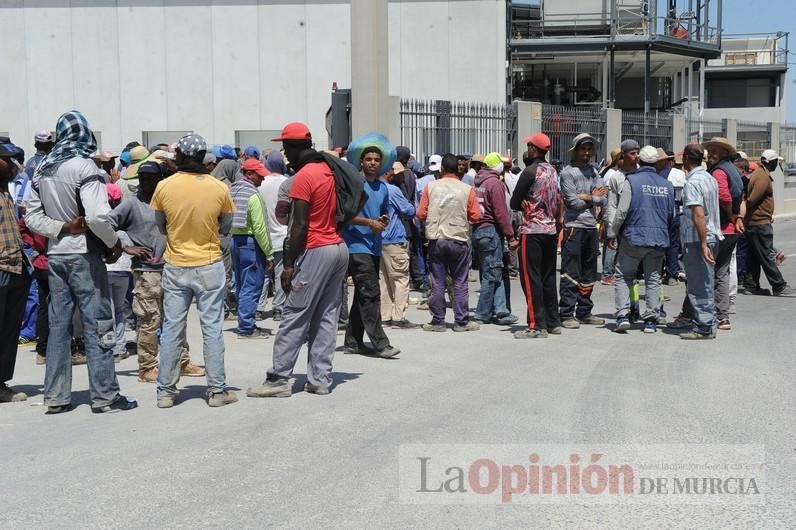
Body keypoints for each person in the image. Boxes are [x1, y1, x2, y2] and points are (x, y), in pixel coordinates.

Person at [24, 110, 137, 414]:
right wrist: (114, 244)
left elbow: (32, 216)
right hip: (84, 255)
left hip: (57, 253)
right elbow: (98, 215)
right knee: (98, 322)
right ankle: (105, 395)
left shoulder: (43, 169)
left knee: (60, 327)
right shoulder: (85, 166)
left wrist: (61, 228)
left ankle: (57, 396)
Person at [246, 122, 349, 397]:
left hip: (315, 249)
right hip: (338, 247)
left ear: (292, 147)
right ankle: (320, 379)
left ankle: (279, 378)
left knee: (295, 314)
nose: (285, 153)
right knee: (327, 316)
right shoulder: (329, 170)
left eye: (285, 147)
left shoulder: (304, 177)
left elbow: (299, 225)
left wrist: (289, 265)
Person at [150, 133, 237, 408]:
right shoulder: (219, 188)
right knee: (212, 328)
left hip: (176, 265)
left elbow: (160, 225)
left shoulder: (164, 187)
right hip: (209, 263)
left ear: (178, 156)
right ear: (203, 157)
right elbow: (226, 227)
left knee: (172, 328)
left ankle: (166, 391)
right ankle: (217, 390)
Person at [109, 161, 204, 383]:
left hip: (172, 268)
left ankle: (182, 361)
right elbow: (108, 223)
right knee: (150, 320)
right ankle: (147, 366)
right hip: (146, 272)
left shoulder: (167, 201)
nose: (146, 182)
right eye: (142, 177)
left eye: (151, 177)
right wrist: (125, 245)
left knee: (176, 318)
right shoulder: (132, 204)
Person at [340, 137, 400, 358]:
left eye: (376, 159)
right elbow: (344, 216)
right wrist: (369, 223)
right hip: (356, 247)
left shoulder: (383, 188)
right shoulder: (355, 184)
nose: (373, 163)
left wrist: (381, 221)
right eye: (369, 159)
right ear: (361, 162)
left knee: (363, 295)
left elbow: (383, 213)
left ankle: (353, 342)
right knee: (371, 294)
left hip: (374, 246)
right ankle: (381, 343)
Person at [607, 146, 675, 334]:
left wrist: (613, 232)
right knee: (653, 278)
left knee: (623, 276)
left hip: (633, 237)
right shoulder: (666, 185)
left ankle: (622, 315)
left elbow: (621, 211)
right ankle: (651, 320)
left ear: (640, 161)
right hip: (658, 239)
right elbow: (671, 214)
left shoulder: (632, 181)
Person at [417, 153, 481, 332]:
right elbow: (476, 216)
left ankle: (438, 321)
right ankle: (461, 321)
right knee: (460, 281)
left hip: (437, 239)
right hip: (459, 239)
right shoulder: (466, 189)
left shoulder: (431, 187)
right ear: (459, 169)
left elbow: (421, 214)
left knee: (437, 282)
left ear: (442, 169)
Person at [510, 133, 562, 338]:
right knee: (548, 276)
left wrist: (524, 201)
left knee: (531, 279)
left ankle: (536, 324)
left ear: (534, 149)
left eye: (529, 145)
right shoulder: (552, 171)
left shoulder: (529, 171)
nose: (528, 149)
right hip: (550, 230)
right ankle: (552, 321)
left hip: (532, 230)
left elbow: (514, 203)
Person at [669, 143, 723, 339]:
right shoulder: (709, 178)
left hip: (698, 240)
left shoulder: (692, 182)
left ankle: (704, 326)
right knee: (706, 282)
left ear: (686, 160)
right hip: (712, 237)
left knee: (699, 284)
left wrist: (702, 243)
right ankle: (709, 322)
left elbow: (699, 215)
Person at [558, 133, 608, 328]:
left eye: (590, 149)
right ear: (576, 150)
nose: (587, 153)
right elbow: (571, 203)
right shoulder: (567, 173)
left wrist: (585, 197)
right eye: (583, 149)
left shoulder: (595, 173)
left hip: (590, 227)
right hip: (574, 228)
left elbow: (603, 199)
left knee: (589, 271)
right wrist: (591, 197)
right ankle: (566, 312)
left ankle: (584, 311)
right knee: (571, 271)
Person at [0, 140, 31, 403]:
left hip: (15, 266)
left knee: (9, 330)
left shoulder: (5, 191)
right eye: (6, 160)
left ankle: (1, 383)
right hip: (1, 267)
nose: (12, 165)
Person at [472, 152, 519, 325]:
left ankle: (501, 310)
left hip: (478, 231)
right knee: (492, 274)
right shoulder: (494, 184)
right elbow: (501, 213)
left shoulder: (478, 182)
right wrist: (511, 236)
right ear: (496, 166)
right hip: (491, 231)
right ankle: (482, 312)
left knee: (491, 271)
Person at [703, 137, 744, 331]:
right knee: (722, 271)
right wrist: (738, 218)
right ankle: (723, 316)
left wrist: (731, 216)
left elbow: (724, 196)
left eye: (715, 150)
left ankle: (703, 313)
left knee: (709, 271)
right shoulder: (733, 170)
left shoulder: (719, 171)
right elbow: (742, 198)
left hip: (720, 229)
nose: (710, 153)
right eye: (709, 150)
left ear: (724, 153)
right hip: (731, 229)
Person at [230, 158, 274, 338]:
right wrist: (269, 253)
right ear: (249, 174)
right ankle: (247, 327)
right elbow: (260, 227)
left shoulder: (231, 190)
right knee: (252, 285)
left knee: (241, 284)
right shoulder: (253, 195)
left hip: (235, 241)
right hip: (251, 244)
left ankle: (244, 321)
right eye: (260, 176)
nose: (262, 180)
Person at [743, 149, 794, 296]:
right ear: (771, 162)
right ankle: (779, 286)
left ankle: (751, 285)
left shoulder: (760, 174)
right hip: (759, 224)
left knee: (754, 255)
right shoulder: (762, 178)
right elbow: (752, 200)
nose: (777, 165)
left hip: (755, 223)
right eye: (776, 162)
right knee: (766, 255)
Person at [379, 161, 418, 328]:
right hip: (394, 239)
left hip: (377, 240)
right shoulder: (393, 190)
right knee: (400, 279)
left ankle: (385, 316)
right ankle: (398, 317)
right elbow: (409, 211)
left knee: (384, 280)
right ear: (390, 172)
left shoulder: (371, 188)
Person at [257, 150, 289, 321]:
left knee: (263, 274)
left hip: (263, 236)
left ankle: (259, 308)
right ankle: (279, 308)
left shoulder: (260, 183)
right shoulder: (288, 182)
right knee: (280, 273)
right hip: (283, 235)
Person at [602, 140, 640, 285]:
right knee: (617, 252)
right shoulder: (616, 177)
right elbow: (612, 205)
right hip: (621, 224)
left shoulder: (640, 174)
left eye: (638, 153)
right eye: (632, 153)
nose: (636, 156)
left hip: (637, 223)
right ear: (623, 156)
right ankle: (609, 274)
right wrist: (612, 230)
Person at [658, 148, 687, 284]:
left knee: (657, 244)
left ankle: (655, 272)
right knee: (674, 244)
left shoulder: (655, 175)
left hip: (659, 212)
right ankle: (672, 274)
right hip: (677, 211)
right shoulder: (679, 174)